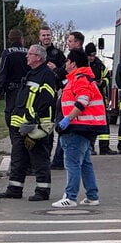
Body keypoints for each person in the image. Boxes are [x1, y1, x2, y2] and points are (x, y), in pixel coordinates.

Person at [0, 44, 57, 201]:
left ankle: (43, 191)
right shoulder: (31, 73)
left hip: (35, 125)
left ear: (38, 57)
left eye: (29, 54)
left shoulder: (46, 75)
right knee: (18, 158)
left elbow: (46, 101)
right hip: (21, 125)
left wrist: (33, 122)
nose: (26, 56)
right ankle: (14, 189)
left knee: (39, 158)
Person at [52, 48, 106, 207]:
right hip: (86, 126)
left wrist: (67, 119)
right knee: (84, 163)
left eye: (67, 61)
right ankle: (92, 195)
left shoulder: (79, 79)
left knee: (72, 163)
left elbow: (82, 101)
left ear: (73, 63)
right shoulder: (84, 78)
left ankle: (70, 197)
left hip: (77, 126)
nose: (65, 64)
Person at [50, 31, 84, 169]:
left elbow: (63, 73)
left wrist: (56, 70)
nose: (68, 43)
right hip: (67, 100)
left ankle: (59, 161)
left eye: (70, 41)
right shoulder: (74, 57)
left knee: (65, 133)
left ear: (77, 43)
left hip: (70, 106)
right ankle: (59, 160)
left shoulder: (76, 58)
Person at [0, 28, 29, 131]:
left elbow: (2, 73)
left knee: (11, 116)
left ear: (10, 39)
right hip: (27, 90)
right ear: (21, 39)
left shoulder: (7, 53)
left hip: (12, 91)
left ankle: (14, 138)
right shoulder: (28, 52)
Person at [85, 42, 115, 155]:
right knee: (90, 122)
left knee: (103, 121)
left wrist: (102, 83)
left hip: (99, 96)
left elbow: (107, 76)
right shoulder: (83, 63)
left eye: (93, 55)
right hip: (87, 97)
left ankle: (104, 147)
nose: (92, 57)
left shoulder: (98, 63)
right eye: (90, 55)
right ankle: (90, 147)